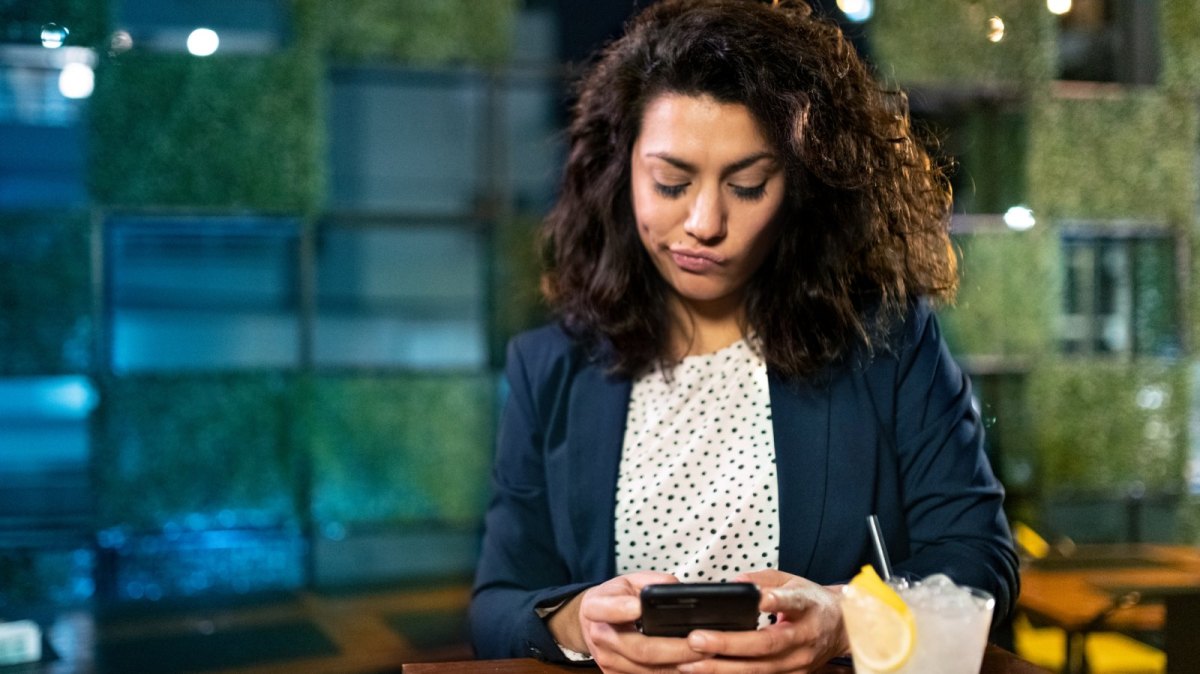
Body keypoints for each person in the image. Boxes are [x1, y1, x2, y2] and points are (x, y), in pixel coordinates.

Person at [470, 0, 1020, 671]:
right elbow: (497, 602)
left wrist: (845, 618)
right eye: (671, 182)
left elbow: (979, 562)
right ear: (623, 174)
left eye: (749, 185)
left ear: (801, 188)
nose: (705, 222)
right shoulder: (548, 367)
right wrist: (578, 622)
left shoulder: (887, 347)